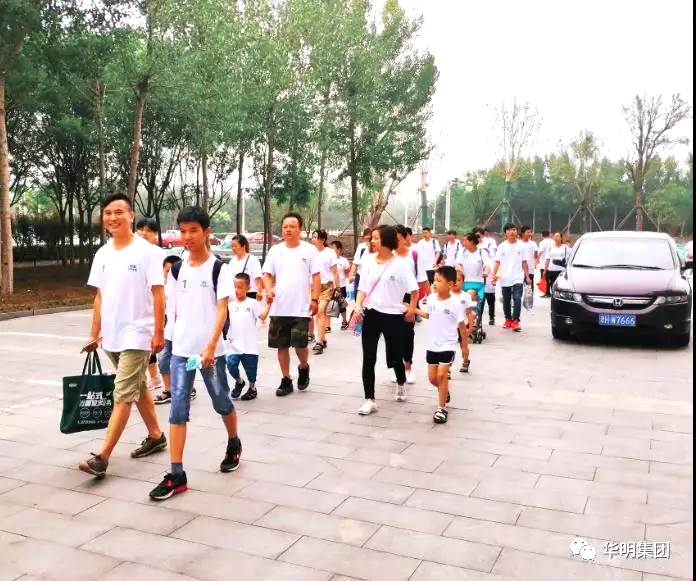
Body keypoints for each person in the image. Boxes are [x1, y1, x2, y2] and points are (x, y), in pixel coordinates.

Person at [148, 206, 241, 501]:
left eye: (193, 231)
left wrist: (211, 345)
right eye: (183, 231)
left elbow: (222, 309)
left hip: (210, 353)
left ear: (206, 232)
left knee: (221, 401)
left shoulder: (219, 268)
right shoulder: (177, 269)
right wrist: (164, 339)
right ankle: (176, 474)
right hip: (182, 353)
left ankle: (234, 442)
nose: (187, 236)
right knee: (177, 409)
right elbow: (172, 309)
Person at [79, 194, 167, 478]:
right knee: (137, 385)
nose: (112, 217)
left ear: (131, 216)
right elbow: (99, 296)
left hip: (138, 334)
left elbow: (158, 293)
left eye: (119, 212)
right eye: (108, 213)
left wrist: (158, 332)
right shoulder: (102, 254)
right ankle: (156, 435)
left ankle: (102, 457)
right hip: (112, 335)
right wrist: (94, 335)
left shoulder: (148, 252)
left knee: (123, 394)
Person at [354, 225, 418, 414]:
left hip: (393, 316)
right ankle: (370, 399)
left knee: (395, 355)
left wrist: (411, 310)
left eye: (376, 238)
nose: (372, 241)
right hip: (371, 314)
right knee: (369, 357)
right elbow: (362, 289)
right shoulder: (368, 261)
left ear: (387, 240)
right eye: (372, 238)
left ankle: (401, 382)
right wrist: (357, 306)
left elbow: (414, 290)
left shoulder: (401, 264)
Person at [262, 212, 321, 397]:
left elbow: (316, 276)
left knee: (299, 345)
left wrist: (315, 299)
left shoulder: (309, 250)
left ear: (300, 229)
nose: (288, 229)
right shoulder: (275, 251)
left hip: (301, 308)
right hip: (279, 307)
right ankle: (286, 379)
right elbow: (266, 274)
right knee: (282, 345)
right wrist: (269, 290)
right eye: (285, 226)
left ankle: (303, 367)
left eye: (292, 226)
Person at [414, 266, 468, 424]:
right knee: (432, 379)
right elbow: (429, 315)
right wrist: (413, 309)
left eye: (438, 281)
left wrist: (465, 348)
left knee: (441, 375)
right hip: (433, 344)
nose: (434, 283)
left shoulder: (455, 304)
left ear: (450, 284)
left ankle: (441, 408)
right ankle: (443, 391)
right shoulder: (431, 299)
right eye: (434, 280)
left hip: (448, 344)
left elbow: (462, 328)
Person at [154, 255, 197, 405]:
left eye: (171, 271)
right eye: (166, 271)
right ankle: (169, 390)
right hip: (169, 329)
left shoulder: (188, 287)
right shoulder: (160, 288)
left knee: (188, 359)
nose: (168, 274)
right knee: (163, 358)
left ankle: (189, 387)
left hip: (186, 330)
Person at [394, 224, 428, 385]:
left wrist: (416, 305)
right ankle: (397, 368)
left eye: (398, 238)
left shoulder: (414, 254)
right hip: (392, 298)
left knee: (407, 334)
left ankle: (408, 367)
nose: (395, 242)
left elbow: (421, 280)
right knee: (393, 335)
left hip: (409, 297)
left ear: (406, 237)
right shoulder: (389, 255)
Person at [228, 273, 270, 401]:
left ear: (248, 288)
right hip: (234, 343)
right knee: (231, 365)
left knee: (251, 369)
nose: (236, 290)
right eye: (235, 287)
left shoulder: (252, 303)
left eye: (240, 287)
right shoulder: (230, 305)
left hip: (249, 344)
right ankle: (239, 381)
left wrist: (269, 304)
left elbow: (262, 316)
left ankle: (252, 387)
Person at [136, 217, 166, 392]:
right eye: (140, 229)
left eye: (148, 230)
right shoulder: (132, 252)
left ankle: (167, 381)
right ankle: (154, 377)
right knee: (146, 346)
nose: (143, 233)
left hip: (156, 305)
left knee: (158, 346)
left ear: (155, 234)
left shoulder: (158, 254)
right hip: (140, 307)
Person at [491, 223, 531, 332]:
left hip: (518, 277)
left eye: (513, 229)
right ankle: (508, 319)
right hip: (505, 277)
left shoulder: (521, 246)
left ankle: (516, 321)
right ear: (505, 233)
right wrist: (494, 274)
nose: (512, 232)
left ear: (516, 231)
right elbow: (497, 261)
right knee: (506, 300)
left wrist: (527, 276)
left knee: (517, 298)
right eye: (509, 230)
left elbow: (524, 262)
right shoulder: (502, 246)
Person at [310, 229, 340, 354]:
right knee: (313, 313)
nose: (313, 239)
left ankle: (319, 342)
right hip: (312, 286)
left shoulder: (330, 253)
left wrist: (337, 288)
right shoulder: (309, 252)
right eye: (312, 237)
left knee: (320, 312)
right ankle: (323, 338)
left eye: (315, 237)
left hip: (326, 287)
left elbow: (335, 272)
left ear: (323, 239)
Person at [451, 270, 476, 373]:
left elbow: (469, 313)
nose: (455, 282)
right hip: (450, 326)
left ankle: (466, 360)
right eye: (453, 280)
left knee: (464, 347)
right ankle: (447, 367)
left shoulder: (466, 296)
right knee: (449, 347)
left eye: (458, 280)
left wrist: (470, 326)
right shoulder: (447, 294)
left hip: (463, 326)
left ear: (463, 282)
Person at [455, 232, 491, 302]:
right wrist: (461, 272)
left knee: (470, 296)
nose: (463, 243)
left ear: (472, 241)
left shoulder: (482, 252)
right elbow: (457, 264)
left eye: (465, 241)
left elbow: (487, 265)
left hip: (478, 283)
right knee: (464, 303)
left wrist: (486, 272)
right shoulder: (462, 252)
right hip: (464, 283)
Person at [228, 234, 264, 299]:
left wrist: (259, 290)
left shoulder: (252, 259)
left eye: (235, 246)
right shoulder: (232, 261)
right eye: (232, 246)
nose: (233, 248)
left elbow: (257, 276)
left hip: (250, 293)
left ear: (243, 246)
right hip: (235, 294)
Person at [331, 240, 351, 330]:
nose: (331, 250)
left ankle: (344, 321)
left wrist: (347, 279)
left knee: (341, 305)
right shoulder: (329, 259)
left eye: (333, 248)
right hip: (330, 285)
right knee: (327, 305)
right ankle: (327, 325)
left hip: (341, 286)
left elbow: (347, 271)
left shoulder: (343, 260)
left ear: (339, 249)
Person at [538, 230, 553, 297]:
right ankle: (551, 292)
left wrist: (537, 260)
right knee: (551, 279)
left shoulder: (542, 242)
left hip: (544, 264)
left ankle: (547, 293)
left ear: (542, 235)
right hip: (552, 264)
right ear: (549, 234)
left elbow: (540, 252)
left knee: (545, 278)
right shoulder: (553, 241)